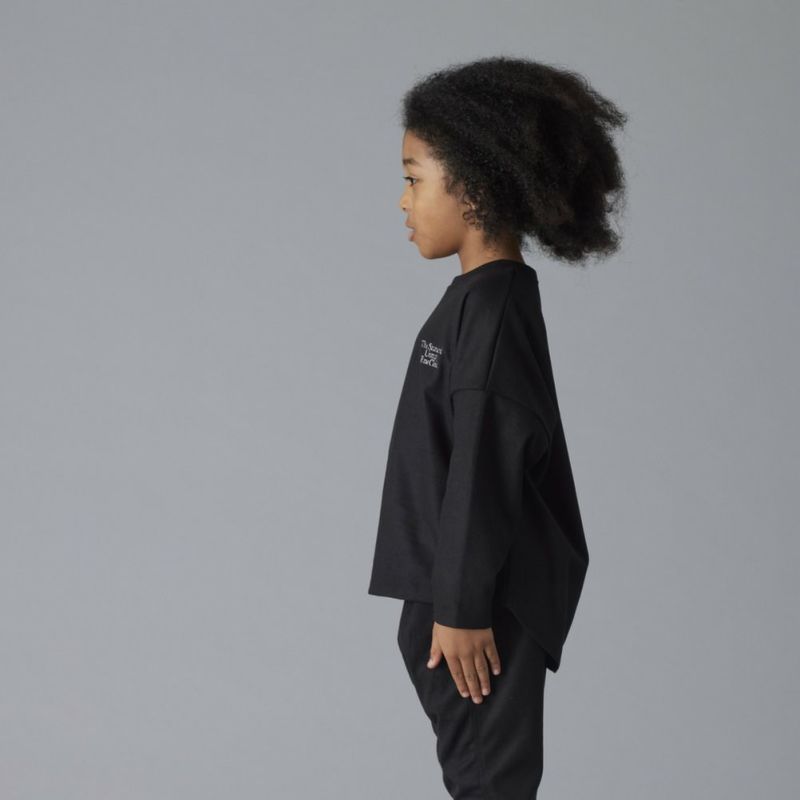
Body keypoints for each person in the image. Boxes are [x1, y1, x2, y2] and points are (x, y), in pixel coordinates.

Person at [367, 55, 627, 798]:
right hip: (460, 601)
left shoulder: (495, 312)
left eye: (415, 178)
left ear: (476, 187)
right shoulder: (478, 302)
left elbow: (485, 461)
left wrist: (460, 608)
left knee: (490, 785)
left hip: (480, 613)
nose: (403, 200)